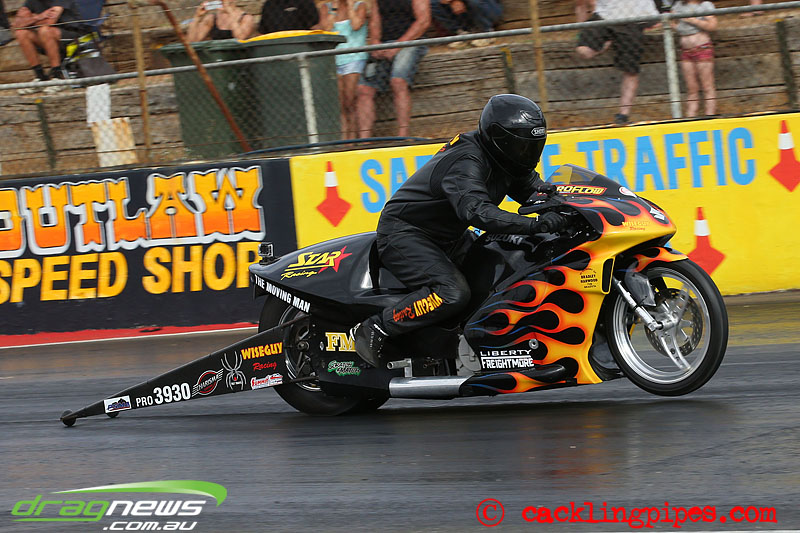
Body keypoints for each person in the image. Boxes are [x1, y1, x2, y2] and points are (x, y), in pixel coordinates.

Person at [351, 94, 568, 367]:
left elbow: (535, 192)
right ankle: (377, 327)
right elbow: (478, 212)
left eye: (532, 147)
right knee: (451, 292)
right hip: (406, 233)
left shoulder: (507, 160)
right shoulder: (466, 161)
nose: (527, 154)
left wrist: (565, 207)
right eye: (521, 146)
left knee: (503, 267)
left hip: (449, 236)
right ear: (500, 139)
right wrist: (534, 224)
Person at [574, 0, 659, 125]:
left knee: (630, 70)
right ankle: (609, 40)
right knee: (583, 51)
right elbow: (583, 3)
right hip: (605, 16)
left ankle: (623, 114)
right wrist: (580, 29)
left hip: (634, 19)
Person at [356, 0, 430, 138]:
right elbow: (375, 19)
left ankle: (403, 135)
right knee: (364, 89)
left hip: (411, 42)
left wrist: (398, 45)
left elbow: (423, 21)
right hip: (384, 43)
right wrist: (375, 42)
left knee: (398, 81)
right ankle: (364, 140)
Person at [318, 0, 370, 139]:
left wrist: (350, 6)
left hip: (354, 58)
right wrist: (334, 9)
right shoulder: (326, 8)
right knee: (339, 104)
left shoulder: (360, 6)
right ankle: (343, 139)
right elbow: (326, 29)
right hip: (334, 59)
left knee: (349, 100)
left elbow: (356, 25)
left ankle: (352, 139)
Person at [12, 0, 90, 85]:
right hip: (49, 39)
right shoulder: (31, 2)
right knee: (21, 33)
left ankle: (57, 76)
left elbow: (49, 22)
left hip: (74, 37)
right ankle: (40, 77)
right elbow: (17, 25)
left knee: (45, 30)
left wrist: (29, 19)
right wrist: (39, 17)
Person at [672, 0, 717, 117]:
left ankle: (710, 116)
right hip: (686, 51)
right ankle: (691, 116)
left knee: (707, 85)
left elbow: (713, 25)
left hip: (702, 49)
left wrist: (693, 20)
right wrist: (676, 26)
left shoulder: (704, 5)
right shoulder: (678, 5)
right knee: (692, 88)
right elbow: (673, 21)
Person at [430, 0, 503, 48]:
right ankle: (463, 33)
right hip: (466, 15)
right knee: (433, 3)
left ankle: (487, 32)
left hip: (489, 9)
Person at [186, 0, 255, 42]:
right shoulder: (211, 18)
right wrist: (197, 17)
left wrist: (230, 12)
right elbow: (193, 41)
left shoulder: (246, 18)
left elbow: (240, 38)